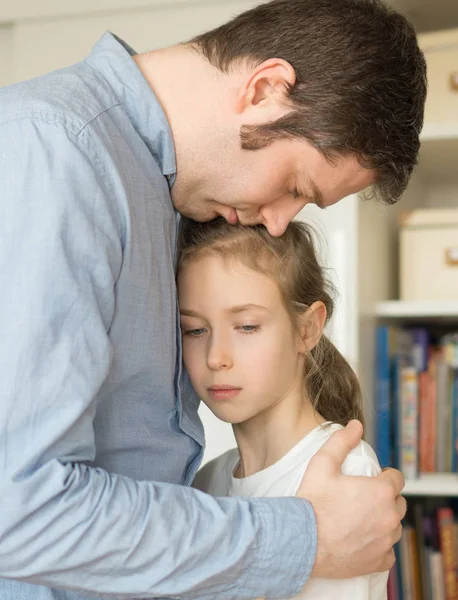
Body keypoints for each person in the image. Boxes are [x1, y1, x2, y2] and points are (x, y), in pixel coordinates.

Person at [0, 0, 425, 598]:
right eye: (296, 187)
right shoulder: (57, 153)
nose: (279, 225)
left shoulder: (165, 197)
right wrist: (305, 538)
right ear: (266, 88)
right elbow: (20, 508)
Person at [179, 216, 388, 600]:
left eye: (246, 326)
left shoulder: (346, 470)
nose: (215, 357)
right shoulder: (205, 483)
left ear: (307, 329)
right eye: (194, 329)